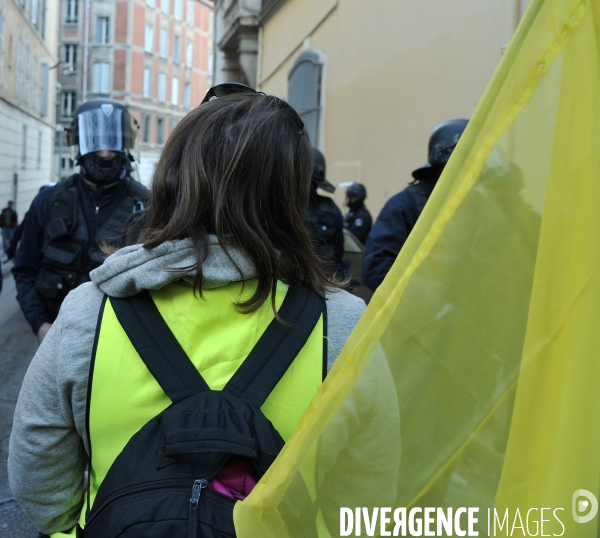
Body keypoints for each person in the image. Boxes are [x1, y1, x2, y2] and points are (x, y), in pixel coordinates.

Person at [8, 88, 367, 536]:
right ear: (293, 193)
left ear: (174, 176)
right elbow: (365, 494)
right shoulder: (347, 324)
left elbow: (38, 469)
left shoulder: (88, 310)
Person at [12, 98, 148, 343]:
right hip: (56, 338)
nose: (105, 153)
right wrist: (40, 324)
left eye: (113, 142)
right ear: (79, 143)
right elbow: (24, 269)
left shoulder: (148, 205)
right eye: (96, 141)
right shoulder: (48, 200)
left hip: (121, 342)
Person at [361, 119, 468, 291]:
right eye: (462, 165)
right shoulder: (404, 206)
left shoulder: (474, 205)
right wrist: (434, 296)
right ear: (443, 165)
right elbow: (376, 269)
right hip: (422, 314)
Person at [305, 147, 345, 275]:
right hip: (323, 283)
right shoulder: (330, 207)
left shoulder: (281, 206)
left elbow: (338, 250)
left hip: (320, 282)